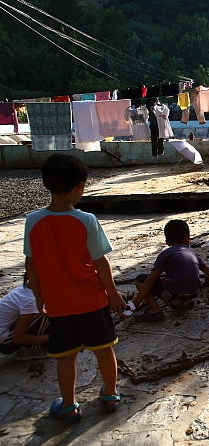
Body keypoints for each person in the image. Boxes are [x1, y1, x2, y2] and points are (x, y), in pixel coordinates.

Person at [24, 153, 127, 422]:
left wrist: (38, 296)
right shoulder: (86, 220)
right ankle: (111, 394)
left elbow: (31, 266)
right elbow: (101, 263)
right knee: (104, 349)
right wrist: (113, 293)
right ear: (80, 186)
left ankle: (69, 405)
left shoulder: (33, 221)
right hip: (92, 300)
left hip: (58, 303)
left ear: (47, 184)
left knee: (65, 356)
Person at [132, 220, 209, 321]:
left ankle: (155, 311)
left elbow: (149, 281)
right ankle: (182, 303)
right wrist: (207, 283)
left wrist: (134, 304)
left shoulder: (165, 254)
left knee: (140, 279)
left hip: (173, 296)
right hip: (193, 294)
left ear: (167, 242)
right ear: (187, 238)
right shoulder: (192, 253)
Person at [0, 274, 50, 360]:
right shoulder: (31, 300)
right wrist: (53, 337)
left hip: (7, 333)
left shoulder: (27, 288)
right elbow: (18, 338)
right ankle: (29, 349)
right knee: (46, 311)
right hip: (5, 342)